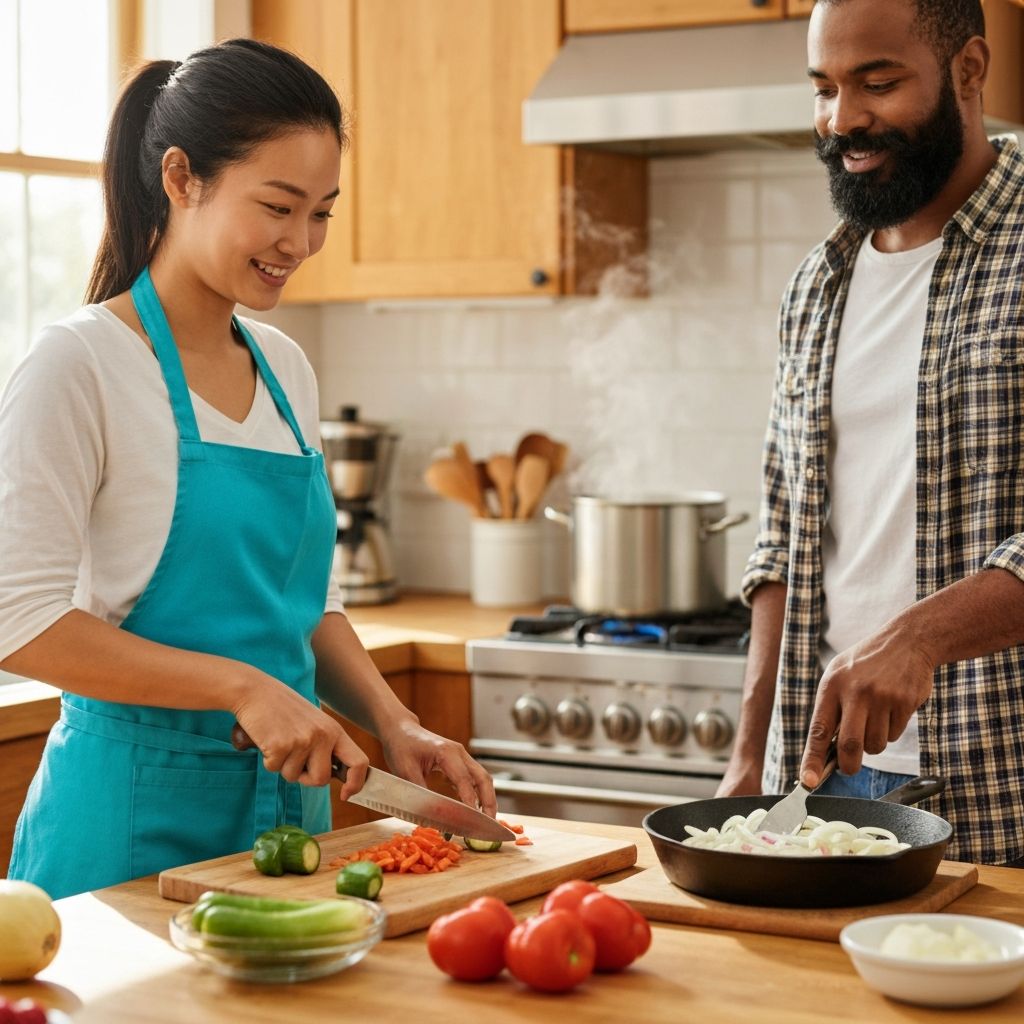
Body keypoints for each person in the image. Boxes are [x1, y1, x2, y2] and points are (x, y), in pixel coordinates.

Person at [0, 38, 496, 900]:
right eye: (279, 205)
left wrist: (394, 722)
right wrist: (240, 688)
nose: (301, 241)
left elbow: (302, 606)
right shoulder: (80, 363)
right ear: (182, 178)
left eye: (323, 212)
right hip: (125, 831)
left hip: (282, 826)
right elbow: (19, 618)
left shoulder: (284, 366)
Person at [717, 0, 1024, 866]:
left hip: (1004, 777)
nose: (842, 119)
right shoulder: (818, 285)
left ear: (968, 70)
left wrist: (920, 636)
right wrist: (751, 751)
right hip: (825, 790)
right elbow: (783, 539)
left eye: (877, 83)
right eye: (823, 87)